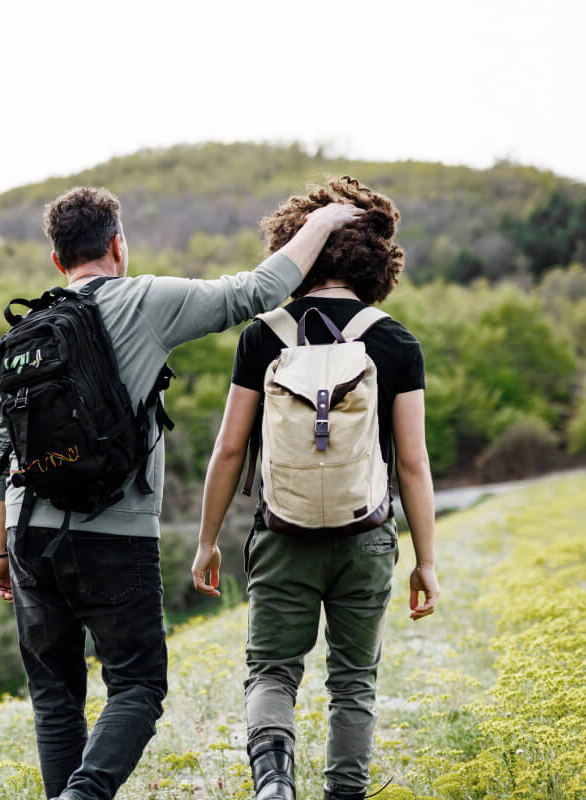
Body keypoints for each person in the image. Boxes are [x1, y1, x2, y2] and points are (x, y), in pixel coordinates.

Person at [0, 185, 363, 800]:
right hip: (114, 534)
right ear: (117, 244)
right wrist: (322, 221)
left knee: (55, 701)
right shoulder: (146, 300)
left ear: (57, 260)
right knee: (137, 687)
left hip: (28, 537)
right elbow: (257, 292)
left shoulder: (26, 332)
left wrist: (1, 551)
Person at [189, 176, 440, 800]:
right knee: (353, 681)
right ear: (377, 261)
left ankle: (274, 781)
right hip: (366, 535)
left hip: (282, 533)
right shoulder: (395, 340)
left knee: (272, 671)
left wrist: (208, 541)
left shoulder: (263, 335)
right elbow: (412, 463)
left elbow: (228, 449)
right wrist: (425, 561)